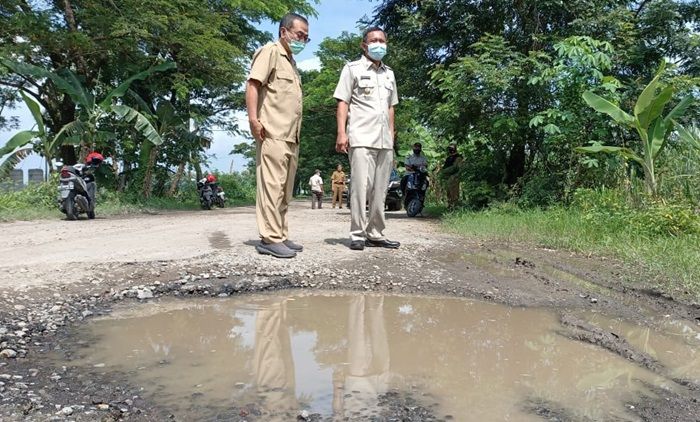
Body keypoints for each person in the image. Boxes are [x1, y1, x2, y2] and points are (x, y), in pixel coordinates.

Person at [245, 13, 309, 259]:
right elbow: (253, 84)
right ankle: (269, 238)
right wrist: (254, 120)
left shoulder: (290, 61)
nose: (302, 39)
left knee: (285, 189)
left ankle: (280, 234)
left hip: (291, 136)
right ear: (284, 32)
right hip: (272, 131)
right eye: (299, 34)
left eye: (306, 37)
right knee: (271, 186)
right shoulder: (269, 52)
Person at [334, 26, 400, 251]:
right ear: (364, 45)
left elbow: (391, 106)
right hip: (361, 137)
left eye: (382, 40)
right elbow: (342, 101)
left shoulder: (389, 73)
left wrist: (392, 134)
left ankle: (376, 233)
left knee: (381, 189)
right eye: (374, 40)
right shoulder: (352, 69)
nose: (378, 44)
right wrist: (342, 133)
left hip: (384, 141)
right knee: (361, 188)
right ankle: (357, 234)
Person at [442, 144, 462, 208]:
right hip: (448, 177)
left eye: (452, 148)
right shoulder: (448, 158)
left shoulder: (458, 157)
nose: (450, 150)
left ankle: (455, 205)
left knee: (455, 191)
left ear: (455, 148)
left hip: (455, 176)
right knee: (449, 192)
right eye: (449, 148)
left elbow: (456, 167)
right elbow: (444, 168)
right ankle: (450, 205)